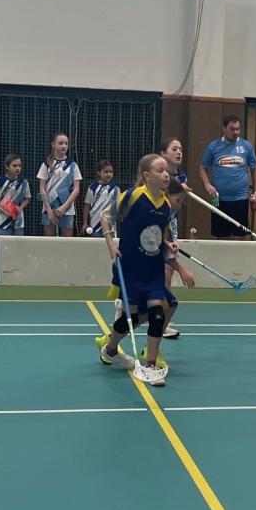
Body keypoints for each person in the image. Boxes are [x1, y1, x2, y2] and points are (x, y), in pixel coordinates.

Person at [95, 154, 172, 387]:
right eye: (160, 170)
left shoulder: (167, 205)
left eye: (166, 170)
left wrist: (167, 244)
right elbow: (106, 218)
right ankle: (110, 348)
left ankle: (151, 365)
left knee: (157, 313)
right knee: (135, 316)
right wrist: (111, 246)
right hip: (130, 266)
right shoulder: (133, 196)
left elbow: (160, 233)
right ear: (147, 176)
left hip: (153, 268)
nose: (166, 174)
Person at [158, 137, 196, 339]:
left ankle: (163, 318)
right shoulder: (159, 175)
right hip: (157, 223)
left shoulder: (182, 176)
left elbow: (177, 203)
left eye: (180, 149)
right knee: (161, 272)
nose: (179, 152)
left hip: (171, 224)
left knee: (168, 272)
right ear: (163, 153)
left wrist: (183, 191)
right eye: (174, 149)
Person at [198, 114, 256, 239]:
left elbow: (254, 168)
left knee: (240, 237)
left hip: (240, 200)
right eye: (232, 129)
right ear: (224, 128)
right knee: (221, 237)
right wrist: (207, 184)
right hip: (219, 200)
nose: (235, 132)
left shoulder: (246, 146)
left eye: (238, 129)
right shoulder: (213, 146)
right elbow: (202, 167)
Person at [38, 133, 82, 237]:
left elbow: (76, 189)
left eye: (66, 143)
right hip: (49, 208)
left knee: (67, 243)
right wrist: (48, 209)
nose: (64, 146)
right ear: (53, 144)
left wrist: (64, 207)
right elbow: (42, 188)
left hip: (67, 209)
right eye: (60, 143)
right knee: (49, 242)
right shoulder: (46, 164)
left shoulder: (72, 165)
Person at [0, 154, 30, 236]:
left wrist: (20, 208)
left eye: (19, 166)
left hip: (18, 222)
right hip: (2, 221)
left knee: (18, 244)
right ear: (7, 166)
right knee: (1, 243)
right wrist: (1, 209)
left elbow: (27, 198)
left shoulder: (24, 182)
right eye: (14, 166)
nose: (17, 168)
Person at [83, 161, 120, 238]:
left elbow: (118, 207)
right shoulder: (92, 188)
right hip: (95, 224)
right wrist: (85, 223)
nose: (109, 174)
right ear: (99, 173)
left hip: (110, 225)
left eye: (111, 172)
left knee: (110, 244)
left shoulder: (116, 189)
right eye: (106, 172)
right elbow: (87, 206)